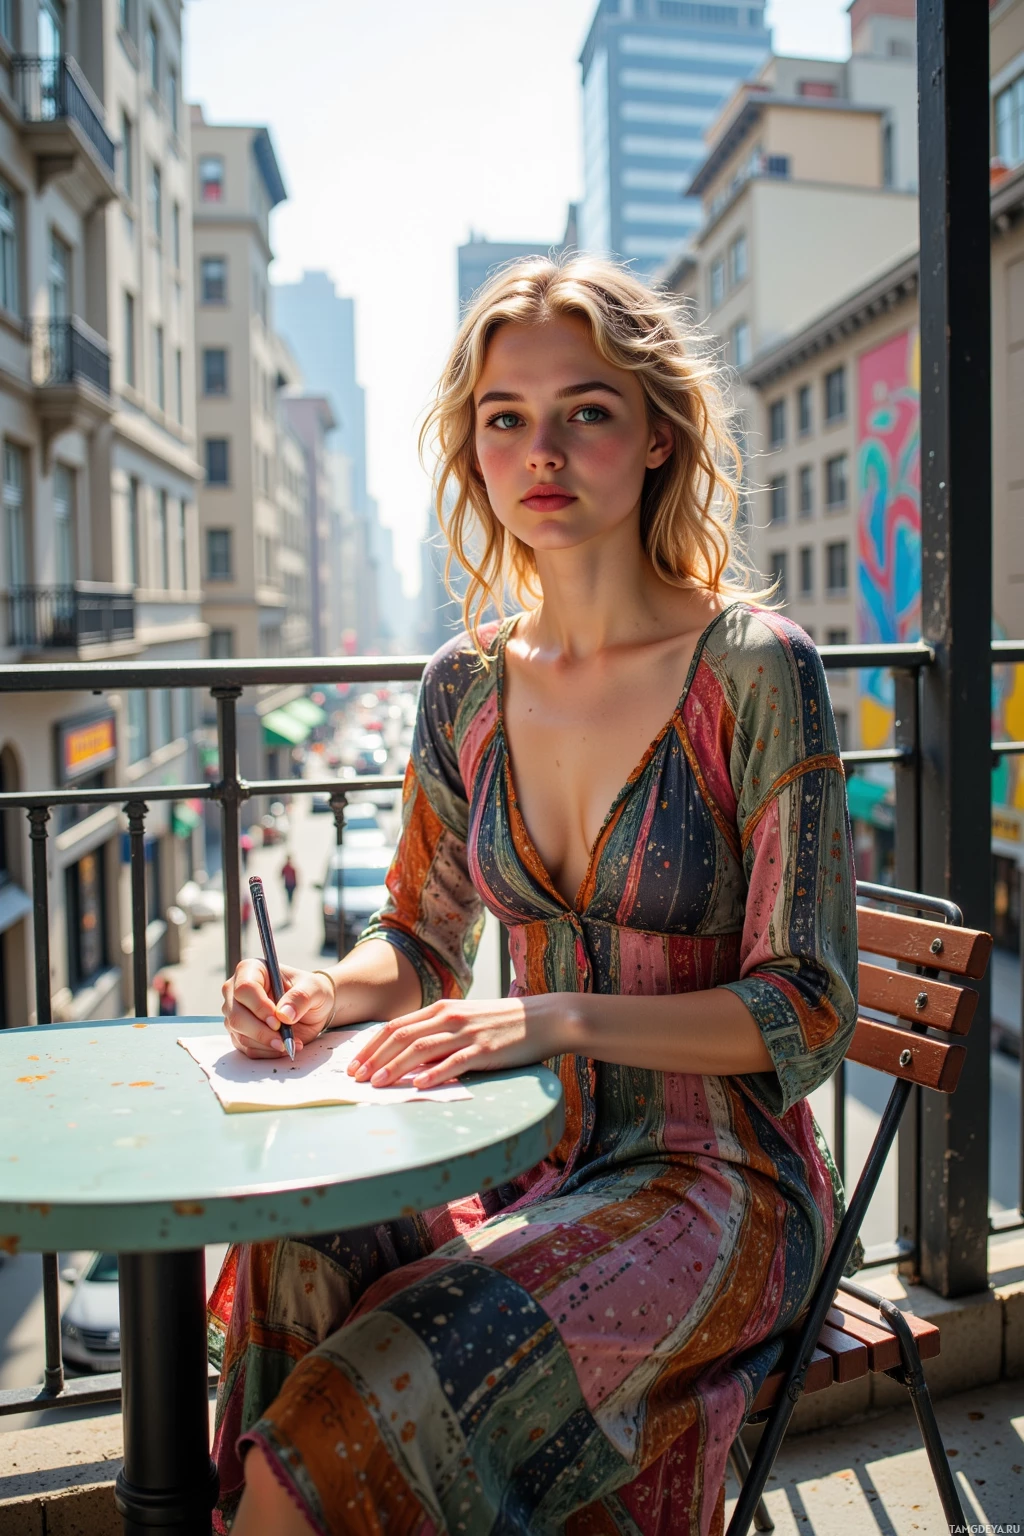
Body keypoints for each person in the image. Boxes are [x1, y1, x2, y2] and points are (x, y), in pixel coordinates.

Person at [215, 256, 857, 1536]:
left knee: (339, 1431)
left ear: (659, 434)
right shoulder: (461, 686)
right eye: (505, 417)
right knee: (293, 1250)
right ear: (473, 446)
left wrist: (554, 1018)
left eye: (586, 410)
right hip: (521, 1159)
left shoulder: (754, 670)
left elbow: (807, 1007)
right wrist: (316, 991)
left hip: (719, 1185)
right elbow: (417, 933)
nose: (541, 450)